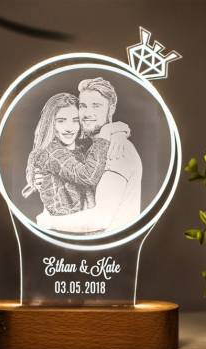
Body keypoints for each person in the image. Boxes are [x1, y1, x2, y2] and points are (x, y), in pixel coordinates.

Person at [36, 77, 142, 233]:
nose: (87, 113)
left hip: (113, 245)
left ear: (111, 109)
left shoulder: (118, 149)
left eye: (96, 106)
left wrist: (47, 221)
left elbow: (100, 219)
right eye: (83, 106)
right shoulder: (91, 148)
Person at [23, 92, 130, 216]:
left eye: (75, 120)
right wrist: (107, 131)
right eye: (61, 121)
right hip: (63, 224)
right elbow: (88, 176)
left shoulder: (80, 147)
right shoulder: (51, 152)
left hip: (83, 222)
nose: (69, 128)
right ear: (50, 123)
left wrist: (119, 132)